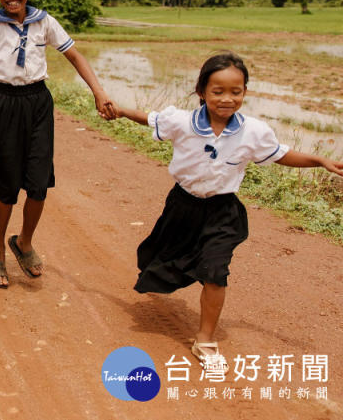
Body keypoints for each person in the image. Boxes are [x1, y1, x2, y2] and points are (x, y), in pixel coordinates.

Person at [107, 51, 343, 370]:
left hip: (223, 212)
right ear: (202, 91)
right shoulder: (181, 121)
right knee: (158, 258)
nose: (227, 99)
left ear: (245, 92)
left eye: (236, 91)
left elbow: (281, 154)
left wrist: (319, 161)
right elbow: (150, 118)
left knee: (216, 272)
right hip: (183, 205)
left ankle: (205, 339)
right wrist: (119, 110)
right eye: (218, 91)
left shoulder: (254, 132)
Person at [0, 0, 114, 288]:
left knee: (39, 184)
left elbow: (74, 55)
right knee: (7, 185)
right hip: (5, 103)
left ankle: (24, 242)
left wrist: (98, 92)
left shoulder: (44, 22)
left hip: (39, 102)